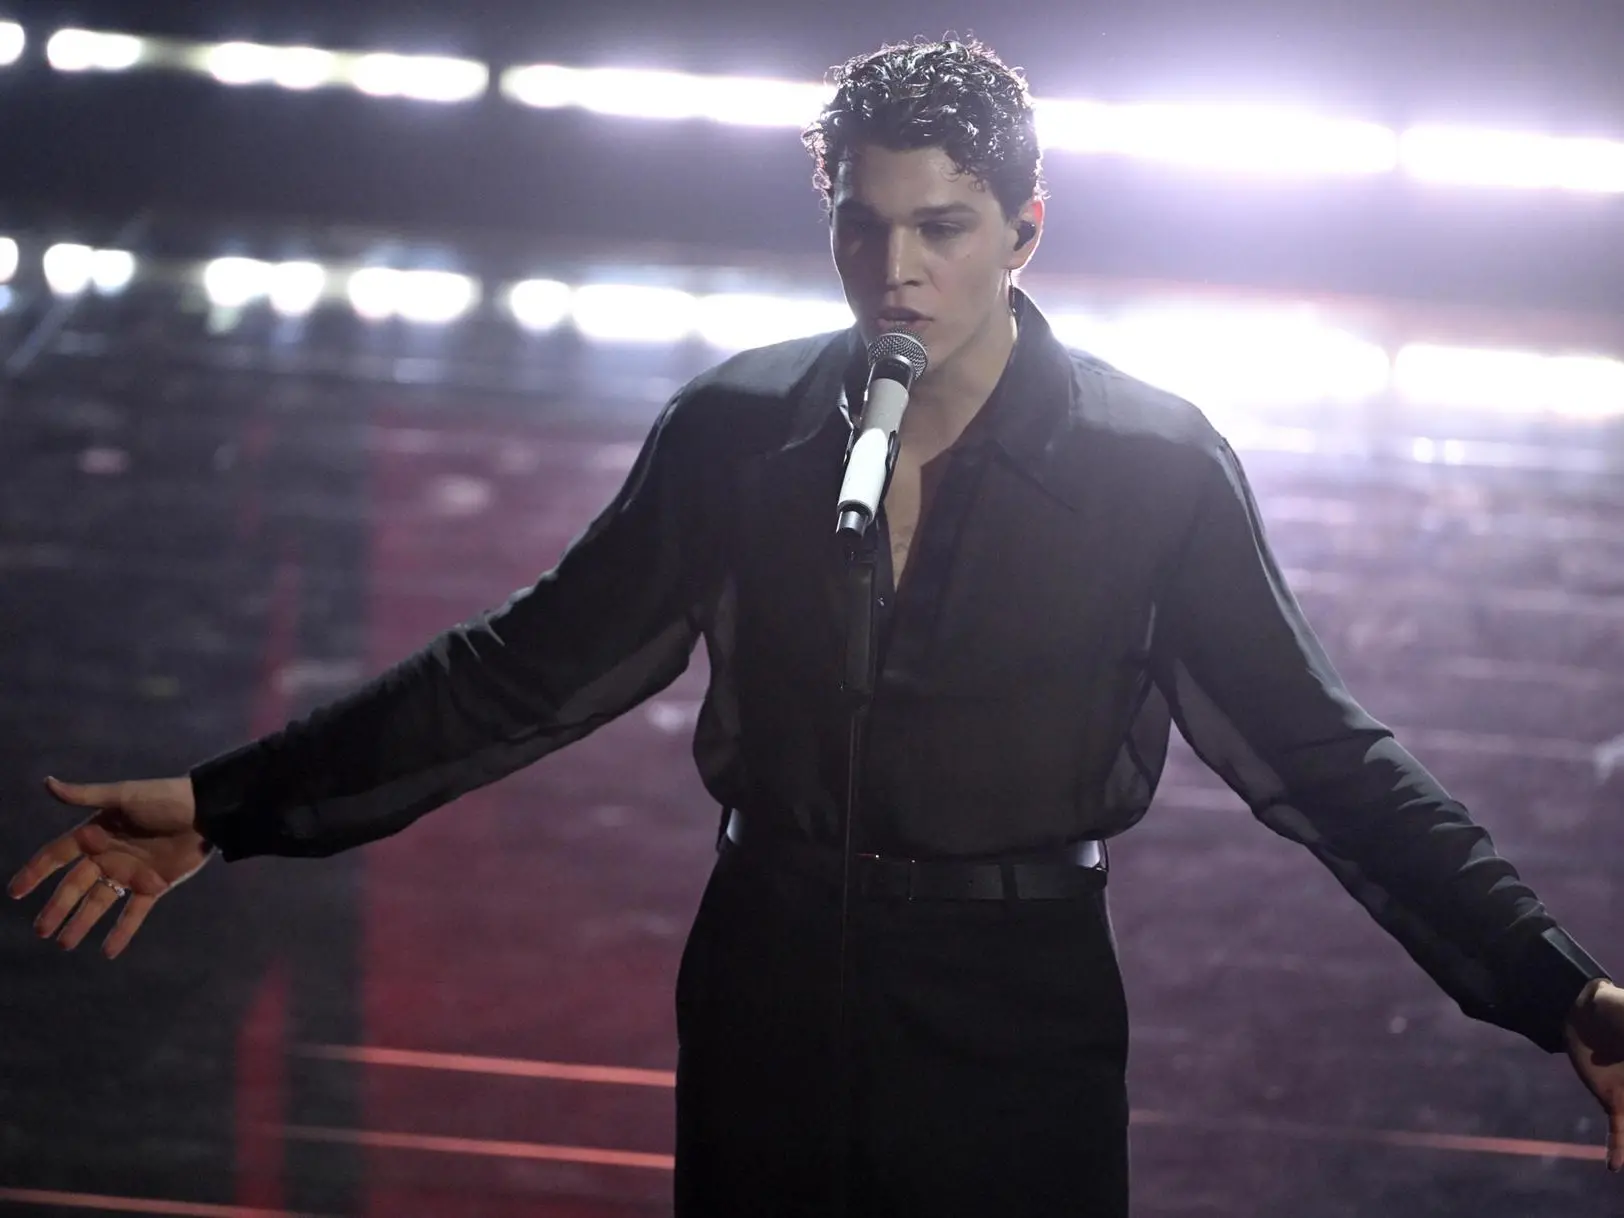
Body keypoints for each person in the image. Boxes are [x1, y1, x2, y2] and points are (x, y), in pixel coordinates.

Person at [8, 37, 1623, 1218]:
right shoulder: (736, 431)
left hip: (1015, 1009)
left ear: (1027, 231)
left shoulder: (1152, 465)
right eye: (865, 226)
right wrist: (229, 807)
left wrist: (1562, 992)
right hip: (771, 981)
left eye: (944, 229)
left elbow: (1325, 763)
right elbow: (522, 672)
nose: (896, 270)